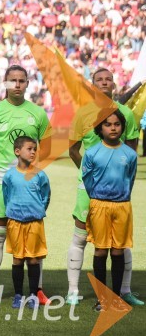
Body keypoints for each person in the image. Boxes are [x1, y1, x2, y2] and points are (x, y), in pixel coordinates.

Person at [67, 68, 142, 305]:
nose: (104, 82)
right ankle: (72, 290)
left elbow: (130, 149)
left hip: (117, 191)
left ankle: (124, 291)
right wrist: (91, 172)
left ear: (113, 83)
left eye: (108, 79)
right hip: (88, 188)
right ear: (92, 84)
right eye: (99, 79)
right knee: (81, 237)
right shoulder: (83, 114)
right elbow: (73, 149)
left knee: (121, 243)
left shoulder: (126, 113)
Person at [0, 65, 51, 306]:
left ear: (28, 83)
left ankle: (37, 290)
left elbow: (47, 147)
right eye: (12, 80)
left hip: (28, 183)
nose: (17, 85)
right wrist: (7, 171)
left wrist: (25, 172)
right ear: (5, 83)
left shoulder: (38, 114)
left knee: (32, 239)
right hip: (0, 182)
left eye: (21, 80)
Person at [83, 110, 138, 311]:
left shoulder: (130, 154)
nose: (113, 128)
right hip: (99, 204)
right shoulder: (92, 153)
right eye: (108, 124)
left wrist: (120, 196)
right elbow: (88, 181)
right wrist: (98, 198)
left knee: (118, 250)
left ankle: (116, 297)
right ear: (100, 129)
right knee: (100, 250)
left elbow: (129, 180)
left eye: (117, 124)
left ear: (122, 127)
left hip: (122, 205)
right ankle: (102, 298)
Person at [3, 136, 50, 310]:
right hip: (15, 222)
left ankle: (32, 295)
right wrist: (14, 210)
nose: (33, 152)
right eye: (29, 148)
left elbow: (46, 196)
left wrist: (37, 210)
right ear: (17, 151)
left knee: (32, 259)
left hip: (34, 222)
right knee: (17, 259)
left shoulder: (40, 174)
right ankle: (17, 295)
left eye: (34, 149)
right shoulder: (9, 175)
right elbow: (6, 195)